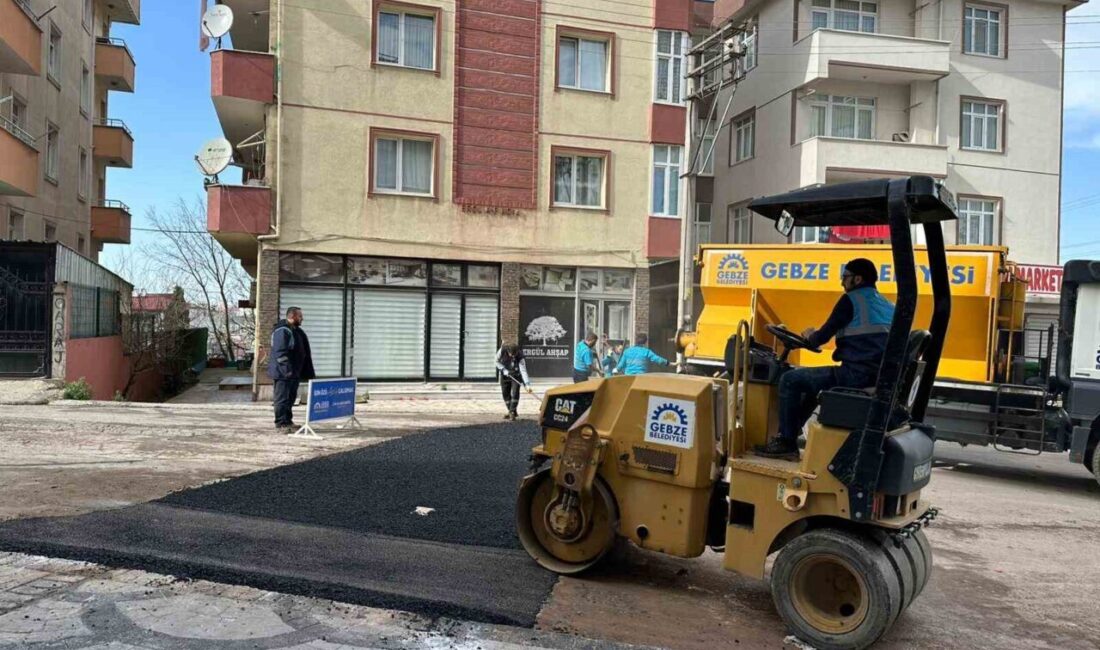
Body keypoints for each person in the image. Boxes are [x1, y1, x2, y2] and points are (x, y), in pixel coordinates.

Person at [756, 258, 895, 459]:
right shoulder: (887, 305)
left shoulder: (851, 300)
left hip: (855, 375)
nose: (842, 282)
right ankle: (791, 433)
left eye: (845, 277)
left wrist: (809, 335)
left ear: (857, 279)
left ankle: (786, 442)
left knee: (789, 380)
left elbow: (820, 338)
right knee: (811, 387)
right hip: (876, 375)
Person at [267, 306, 316, 433]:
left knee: (290, 398)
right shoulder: (282, 330)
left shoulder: (296, 330)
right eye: (300, 316)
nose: (302, 318)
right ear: (292, 316)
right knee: (282, 399)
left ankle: (288, 421)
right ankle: (281, 424)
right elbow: (280, 352)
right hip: (284, 373)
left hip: (293, 373)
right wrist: (287, 370)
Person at [496, 343, 531, 421]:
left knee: (515, 393)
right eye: (511, 354)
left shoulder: (520, 356)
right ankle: (511, 411)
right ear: (508, 351)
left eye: (514, 355)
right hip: (505, 375)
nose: (513, 356)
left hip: (516, 375)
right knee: (505, 394)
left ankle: (511, 412)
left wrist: (527, 384)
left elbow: (523, 370)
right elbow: (496, 361)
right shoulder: (502, 350)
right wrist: (503, 369)